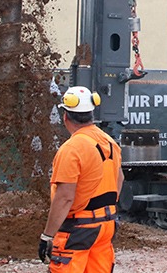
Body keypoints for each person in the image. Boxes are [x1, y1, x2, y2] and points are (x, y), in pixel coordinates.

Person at [39, 86, 124, 272]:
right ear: (92, 114)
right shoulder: (109, 142)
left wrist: (48, 235)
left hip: (79, 228)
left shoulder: (72, 148)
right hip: (106, 225)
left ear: (65, 117)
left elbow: (65, 197)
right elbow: (119, 178)